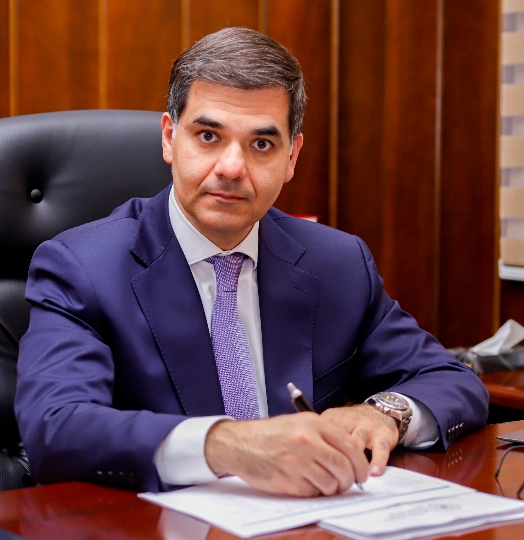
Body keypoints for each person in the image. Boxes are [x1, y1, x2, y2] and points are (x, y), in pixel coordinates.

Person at [15, 27, 488, 497]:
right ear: (170, 138)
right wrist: (232, 445)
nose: (232, 168)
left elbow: (451, 381)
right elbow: (55, 426)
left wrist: (385, 414)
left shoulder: (338, 263)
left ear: (291, 157)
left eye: (261, 144)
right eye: (208, 136)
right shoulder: (82, 266)